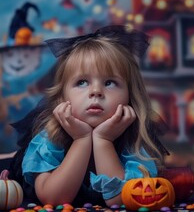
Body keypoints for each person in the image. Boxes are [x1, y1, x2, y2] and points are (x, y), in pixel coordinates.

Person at [18, 25, 167, 207]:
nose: (96, 91)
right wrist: (81, 139)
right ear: (62, 98)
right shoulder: (51, 136)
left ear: (130, 96)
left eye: (110, 82)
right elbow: (53, 199)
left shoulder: (134, 141)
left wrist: (103, 140)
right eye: (81, 82)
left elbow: (121, 200)